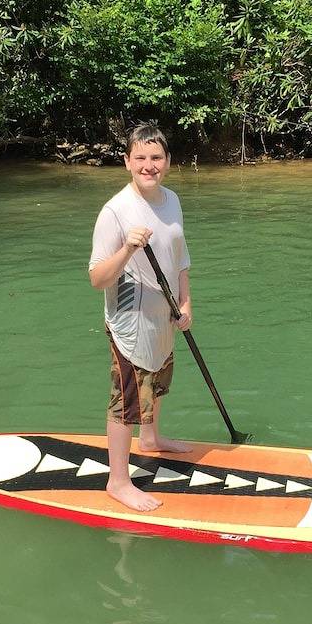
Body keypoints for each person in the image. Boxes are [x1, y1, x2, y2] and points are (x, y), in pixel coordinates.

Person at [88, 124, 192, 512]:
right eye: (141, 158)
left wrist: (186, 303)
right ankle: (118, 481)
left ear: (167, 162)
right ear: (127, 162)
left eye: (157, 158)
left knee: (159, 380)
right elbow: (97, 278)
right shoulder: (115, 211)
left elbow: (180, 258)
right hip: (129, 315)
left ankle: (150, 440)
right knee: (127, 400)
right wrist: (128, 248)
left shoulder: (172, 200)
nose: (149, 166)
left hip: (163, 312)